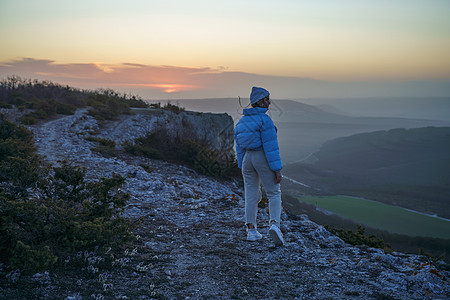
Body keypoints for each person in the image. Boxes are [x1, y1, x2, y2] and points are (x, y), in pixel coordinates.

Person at [234, 86, 284, 246]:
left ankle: (251, 231)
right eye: (267, 99)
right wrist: (277, 169)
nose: (269, 102)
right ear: (260, 101)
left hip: (247, 159)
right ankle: (275, 225)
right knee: (274, 192)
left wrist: (242, 167)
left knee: (251, 194)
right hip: (261, 156)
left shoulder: (241, 121)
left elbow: (239, 147)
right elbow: (271, 146)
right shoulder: (265, 120)